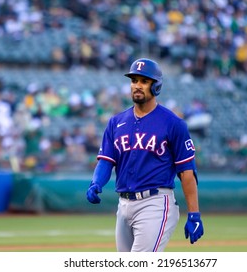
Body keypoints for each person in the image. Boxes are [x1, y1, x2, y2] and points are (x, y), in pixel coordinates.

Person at [86, 58, 204, 252]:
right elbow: (106, 161)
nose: (137, 86)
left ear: (156, 86)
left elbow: (186, 172)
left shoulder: (173, 123)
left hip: (155, 203)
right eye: (134, 80)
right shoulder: (116, 122)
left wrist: (194, 214)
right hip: (123, 205)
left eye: (144, 81)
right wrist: (96, 182)